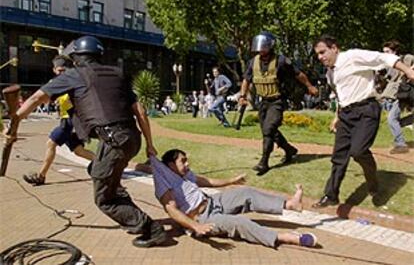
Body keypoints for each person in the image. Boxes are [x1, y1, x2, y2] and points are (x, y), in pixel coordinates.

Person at [5, 36, 167, 247]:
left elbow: (36, 98)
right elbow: (141, 112)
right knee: (100, 174)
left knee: (104, 198)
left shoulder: (75, 74)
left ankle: (150, 229)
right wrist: (150, 143)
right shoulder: (116, 74)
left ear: (76, 58)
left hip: (114, 140)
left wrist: (16, 119)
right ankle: (132, 215)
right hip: (130, 139)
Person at [312, 35, 414, 208]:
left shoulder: (353, 56)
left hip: (366, 110)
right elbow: (339, 95)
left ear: (334, 48)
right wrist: (337, 116)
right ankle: (331, 195)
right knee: (339, 156)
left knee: (358, 151)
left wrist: (408, 71)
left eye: (323, 52)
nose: (321, 57)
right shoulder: (331, 72)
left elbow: (384, 58)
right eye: (318, 55)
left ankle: (373, 183)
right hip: (346, 114)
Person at [150, 149, 318, 249]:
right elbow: (171, 210)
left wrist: (232, 181)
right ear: (171, 165)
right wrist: (196, 226)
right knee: (238, 223)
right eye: (183, 161)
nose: (187, 164)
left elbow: (205, 181)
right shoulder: (164, 181)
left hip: (213, 202)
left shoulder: (185, 174)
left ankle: (290, 204)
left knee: (246, 193)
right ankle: (285, 237)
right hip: (203, 218)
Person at [239, 32, 318, 175]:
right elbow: (246, 79)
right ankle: (289, 149)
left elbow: (298, 74)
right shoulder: (253, 62)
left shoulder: (281, 61)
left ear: (270, 46)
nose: (260, 50)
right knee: (269, 132)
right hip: (263, 102)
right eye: (259, 47)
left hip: (277, 101)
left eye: (263, 47)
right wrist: (242, 96)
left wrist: (309, 86)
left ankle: (264, 162)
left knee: (269, 129)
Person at [23, 55, 96, 186]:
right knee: (79, 151)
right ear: (54, 70)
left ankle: (41, 175)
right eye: (59, 70)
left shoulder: (71, 81)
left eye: (64, 70)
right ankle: (102, 163)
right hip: (67, 119)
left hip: (70, 120)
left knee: (51, 144)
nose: (61, 73)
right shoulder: (59, 83)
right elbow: (45, 98)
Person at [381, 40, 414, 154]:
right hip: (393, 95)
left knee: (392, 119)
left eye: (387, 51)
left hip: (404, 93)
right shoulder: (387, 65)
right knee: (394, 120)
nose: (385, 54)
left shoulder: (406, 58)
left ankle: (400, 144)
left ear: (395, 51)